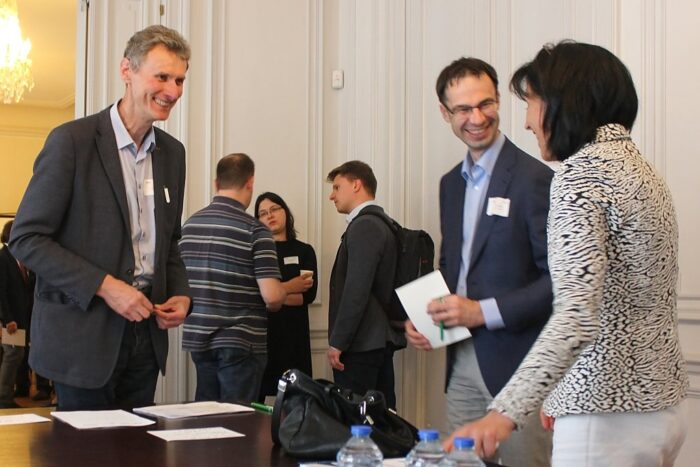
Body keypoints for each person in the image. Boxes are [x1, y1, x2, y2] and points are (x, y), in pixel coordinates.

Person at [446, 41, 689, 466]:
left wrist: (504, 413)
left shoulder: (579, 176)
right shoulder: (643, 171)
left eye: (531, 102)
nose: (527, 121)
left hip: (605, 412)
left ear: (562, 103)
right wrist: (561, 391)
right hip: (663, 408)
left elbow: (577, 314)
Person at [8, 25, 193, 410]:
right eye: (162, 77)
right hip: (82, 339)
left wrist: (181, 293)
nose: (173, 91)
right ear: (127, 70)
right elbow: (26, 238)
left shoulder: (173, 154)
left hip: (146, 337)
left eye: (179, 80)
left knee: (136, 443)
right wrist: (106, 286)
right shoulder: (71, 141)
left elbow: (170, 241)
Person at [404, 57, 553, 466]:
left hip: (521, 368)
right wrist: (427, 318)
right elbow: (452, 269)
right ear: (444, 113)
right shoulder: (449, 184)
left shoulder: (535, 180)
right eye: (463, 109)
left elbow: (558, 282)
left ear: (498, 101)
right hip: (461, 364)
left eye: (485, 104)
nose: (477, 118)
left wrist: (480, 312)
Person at [180, 154, 287, 403]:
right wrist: (283, 291)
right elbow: (272, 297)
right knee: (238, 418)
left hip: (199, 336)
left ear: (216, 183)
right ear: (250, 182)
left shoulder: (190, 225)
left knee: (205, 416)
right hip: (241, 341)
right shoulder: (256, 230)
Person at [327, 160, 405, 409]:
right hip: (374, 340)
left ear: (356, 185)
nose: (332, 196)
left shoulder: (365, 226)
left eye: (337, 187)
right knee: (381, 418)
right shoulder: (378, 223)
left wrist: (338, 342)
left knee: (357, 419)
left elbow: (356, 290)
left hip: (361, 344)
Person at [254, 192, 317, 399]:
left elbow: (306, 297)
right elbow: (256, 296)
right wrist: (291, 286)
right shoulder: (256, 252)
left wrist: (272, 294)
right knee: (256, 398)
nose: (269, 216)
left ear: (285, 212)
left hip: (294, 338)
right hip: (262, 337)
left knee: (296, 399)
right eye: (263, 213)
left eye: (274, 209)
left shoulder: (304, 251)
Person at [0, 221, 34, 408]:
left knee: (18, 356)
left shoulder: (17, 257)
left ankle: (18, 390)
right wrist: (7, 319)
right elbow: (1, 292)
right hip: (11, 320)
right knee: (12, 355)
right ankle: (3, 398)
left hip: (22, 318)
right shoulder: (3, 258)